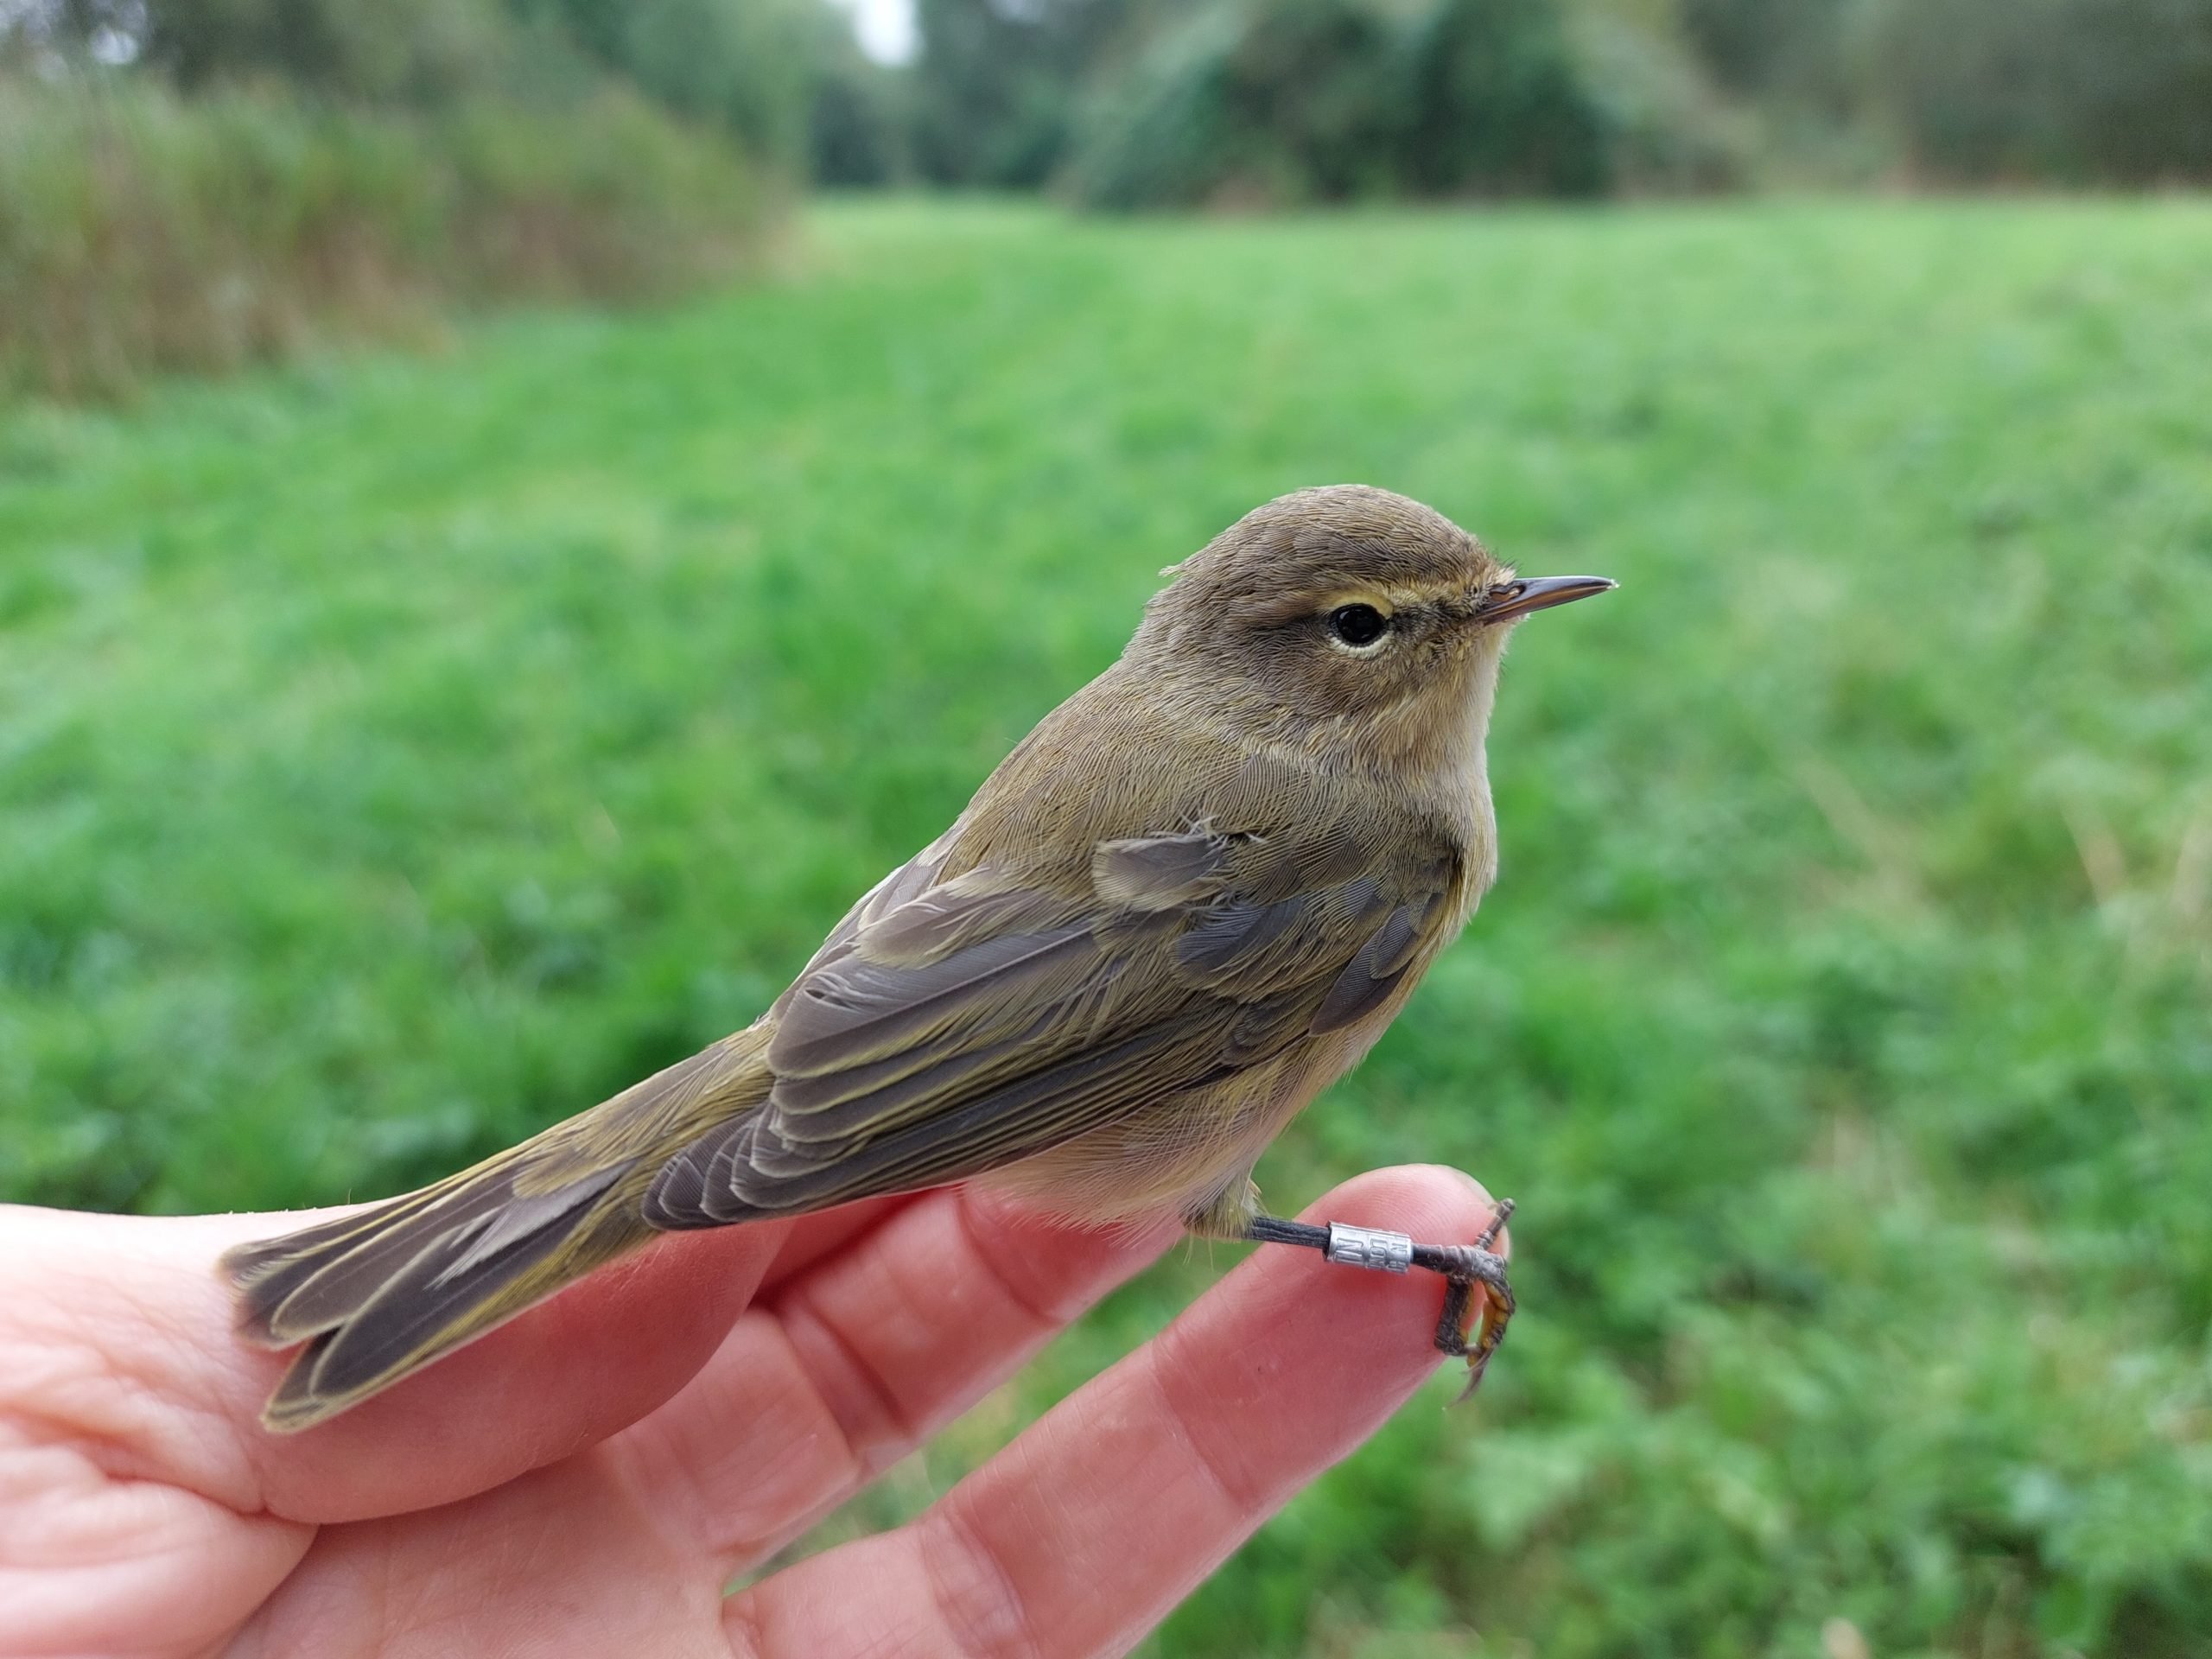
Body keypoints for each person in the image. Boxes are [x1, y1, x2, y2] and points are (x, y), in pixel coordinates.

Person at [2, 1164, 1502, 1656]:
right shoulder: (1392, 846)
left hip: (911, 989)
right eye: (1378, 626)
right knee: (1216, 1202)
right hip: (1024, 1063)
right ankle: (1406, 1256)